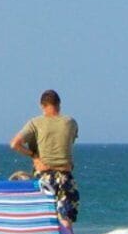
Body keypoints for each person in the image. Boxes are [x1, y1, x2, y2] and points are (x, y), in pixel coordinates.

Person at [10, 89, 80, 225]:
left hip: (43, 176)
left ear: (42, 106)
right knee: (65, 220)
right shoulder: (70, 122)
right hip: (65, 175)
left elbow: (15, 144)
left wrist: (34, 156)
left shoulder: (35, 123)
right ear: (59, 104)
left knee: (43, 219)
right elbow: (69, 142)